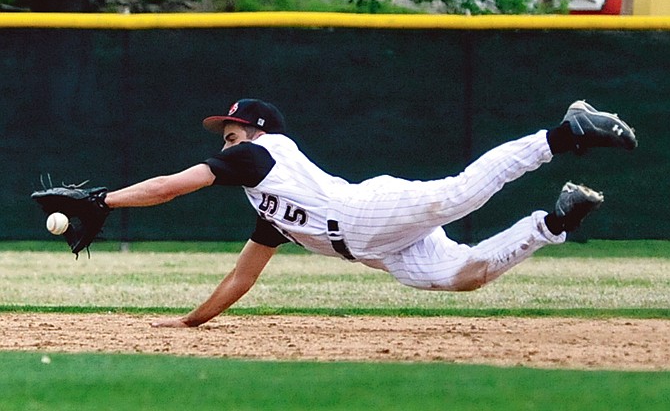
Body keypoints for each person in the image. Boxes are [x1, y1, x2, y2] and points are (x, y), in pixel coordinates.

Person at [101, 99, 637, 328]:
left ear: (261, 131)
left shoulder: (260, 155)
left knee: (462, 194)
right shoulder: (269, 203)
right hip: (374, 247)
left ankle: (567, 131)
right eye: (225, 133)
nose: (228, 136)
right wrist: (190, 321)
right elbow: (241, 277)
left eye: (234, 128)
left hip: (364, 212)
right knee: (464, 275)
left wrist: (101, 201)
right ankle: (555, 222)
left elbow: (170, 187)